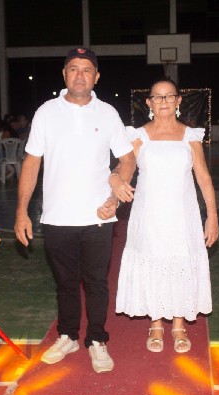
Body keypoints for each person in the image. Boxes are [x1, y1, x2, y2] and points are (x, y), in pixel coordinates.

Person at [14, 47, 136, 373]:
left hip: (98, 215)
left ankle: (97, 340)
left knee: (96, 282)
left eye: (86, 69)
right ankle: (67, 335)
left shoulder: (107, 113)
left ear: (96, 76)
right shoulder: (46, 112)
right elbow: (31, 162)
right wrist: (21, 211)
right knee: (65, 283)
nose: (79, 75)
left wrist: (114, 199)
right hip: (57, 216)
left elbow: (127, 159)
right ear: (64, 74)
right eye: (73, 68)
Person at [115, 78, 219, 354]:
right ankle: (156, 324)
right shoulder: (138, 136)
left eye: (169, 96)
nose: (164, 101)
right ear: (148, 103)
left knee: (180, 261)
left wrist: (212, 216)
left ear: (178, 101)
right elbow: (125, 170)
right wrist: (113, 190)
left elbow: (204, 178)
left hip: (182, 215)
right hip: (149, 215)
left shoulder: (190, 136)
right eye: (158, 97)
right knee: (154, 261)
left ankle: (179, 325)